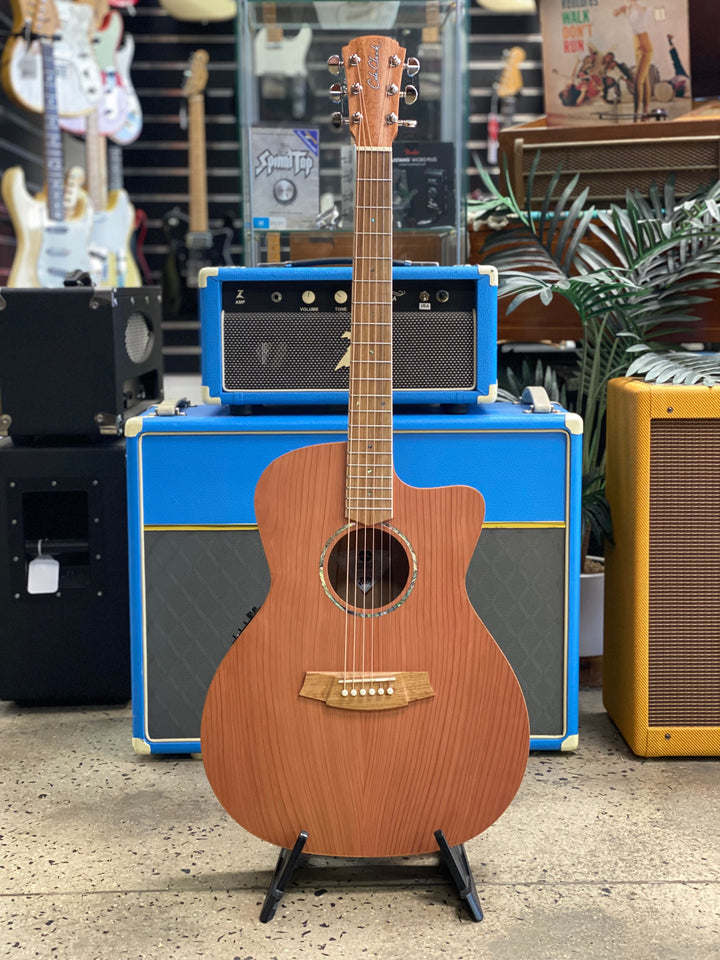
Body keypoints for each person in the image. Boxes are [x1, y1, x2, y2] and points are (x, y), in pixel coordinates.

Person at [613, 2, 654, 117]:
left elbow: (647, 10)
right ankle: (645, 111)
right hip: (636, 43)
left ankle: (636, 114)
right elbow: (615, 14)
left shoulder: (641, 5)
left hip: (645, 44)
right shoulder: (629, 8)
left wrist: (635, 6)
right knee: (644, 80)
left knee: (638, 81)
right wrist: (621, 10)